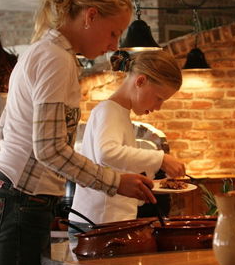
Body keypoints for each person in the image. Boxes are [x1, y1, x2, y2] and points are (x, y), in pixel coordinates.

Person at [0, 0, 156, 265]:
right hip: (18, 200)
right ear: (90, 16)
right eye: (113, 33)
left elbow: (7, 132)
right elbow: (50, 150)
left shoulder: (42, 51)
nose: (113, 46)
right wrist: (115, 181)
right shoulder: (55, 59)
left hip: (10, 194)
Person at [69, 50, 186, 231]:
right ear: (140, 81)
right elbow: (107, 153)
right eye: (159, 98)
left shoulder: (119, 113)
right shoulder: (110, 110)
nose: (158, 107)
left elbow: (115, 167)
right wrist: (161, 159)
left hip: (103, 220)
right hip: (98, 222)